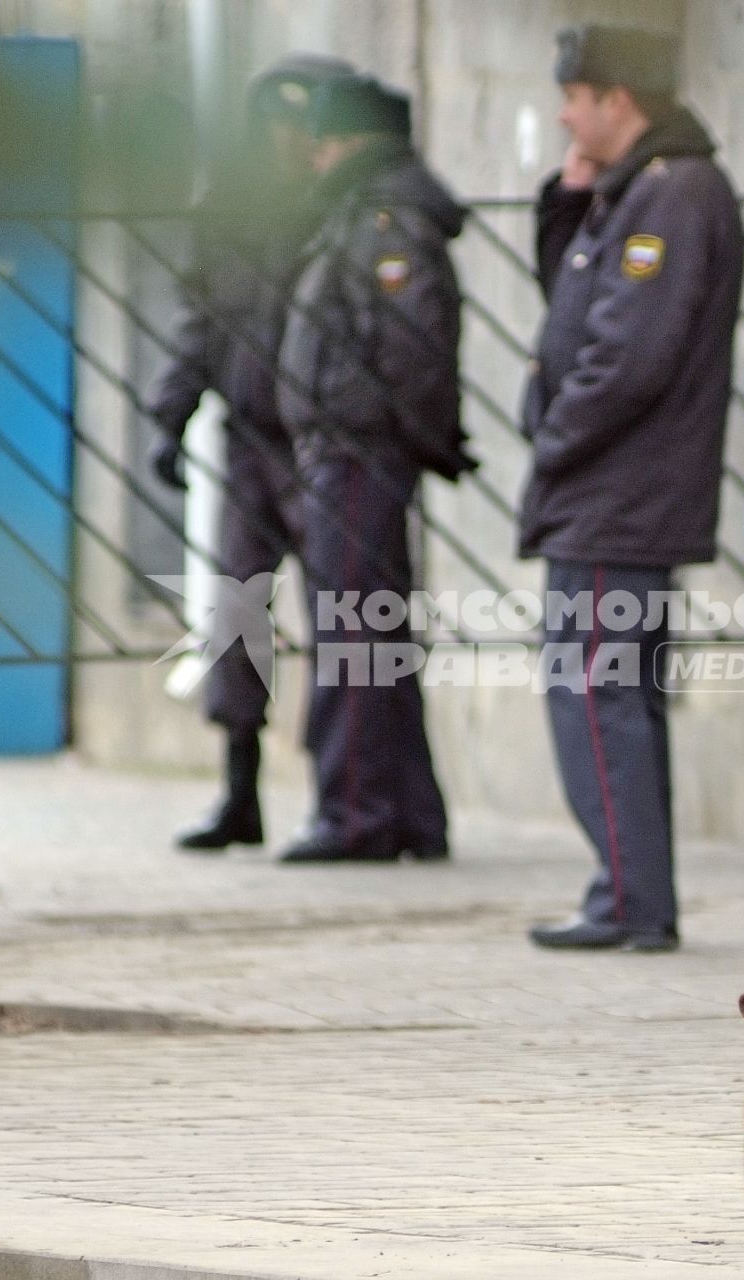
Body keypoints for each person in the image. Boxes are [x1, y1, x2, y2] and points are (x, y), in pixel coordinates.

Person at [519, 26, 744, 952]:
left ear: (619, 99)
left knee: (598, 691)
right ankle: (631, 895)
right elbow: (574, 305)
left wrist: (554, 438)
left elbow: (628, 355)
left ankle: (631, 903)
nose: (565, 113)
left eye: (575, 95)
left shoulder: (674, 193)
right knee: (610, 692)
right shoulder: (635, 190)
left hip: (619, 493)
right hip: (608, 490)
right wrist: (571, 200)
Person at [148, 54, 354, 852]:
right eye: (276, 125)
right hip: (250, 441)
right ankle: (240, 789)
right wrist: (171, 415)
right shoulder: (228, 212)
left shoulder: (338, 206)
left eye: (303, 127)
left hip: (324, 442)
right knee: (237, 616)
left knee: (349, 620)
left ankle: (348, 796)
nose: (289, 143)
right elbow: (200, 324)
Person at [274, 74, 474, 864]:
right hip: (351, 454)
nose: (314, 153)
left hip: (360, 456)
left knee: (353, 639)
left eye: (324, 139)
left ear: (355, 142)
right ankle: (410, 817)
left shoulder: (383, 219)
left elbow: (414, 347)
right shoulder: (362, 213)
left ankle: (355, 815)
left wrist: (417, 436)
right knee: (371, 635)